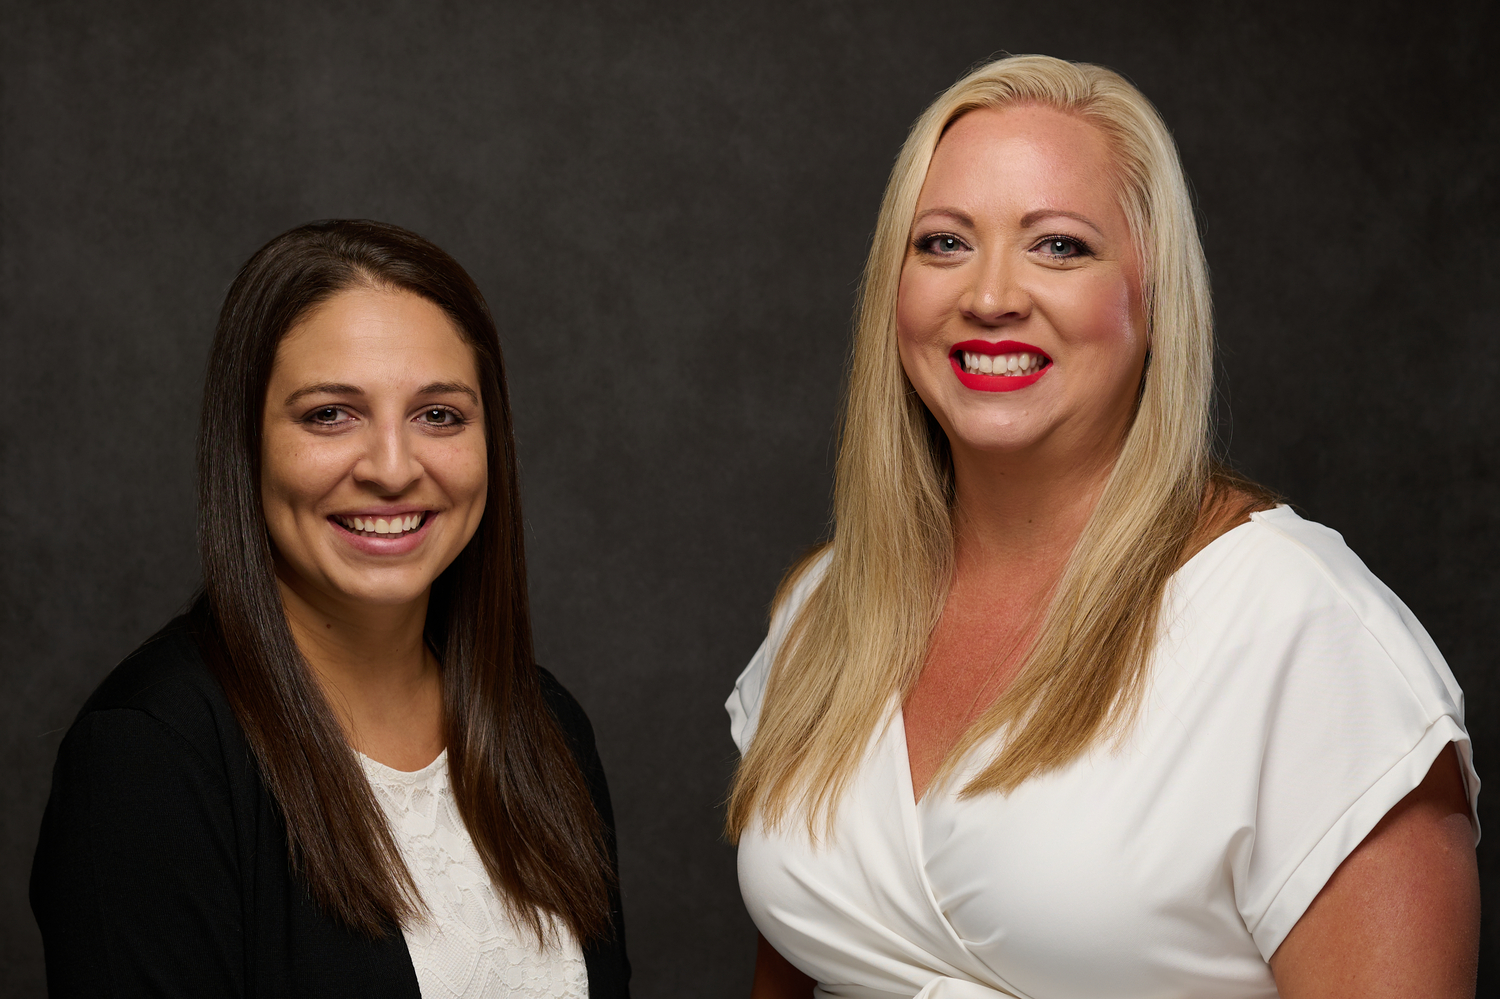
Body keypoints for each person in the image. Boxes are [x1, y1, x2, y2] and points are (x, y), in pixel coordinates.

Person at [725, 55, 1478, 999]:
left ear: (1154, 297)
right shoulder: (826, 605)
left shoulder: (1304, 632)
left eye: (1059, 246)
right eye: (944, 242)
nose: (990, 296)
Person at [31, 220, 630, 998]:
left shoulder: (545, 726)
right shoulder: (148, 757)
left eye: (439, 414)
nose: (392, 468)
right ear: (246, 444)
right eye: (329, 414)